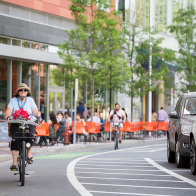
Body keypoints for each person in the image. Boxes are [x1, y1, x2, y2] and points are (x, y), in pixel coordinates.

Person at [4, 83, 38, 171]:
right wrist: (7, 116)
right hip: (16, 121)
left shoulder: (30, 100)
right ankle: (14, 163)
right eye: (21, 90)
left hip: (28, 121)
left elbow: (35, 111)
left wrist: (38, 116)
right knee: (15, 139)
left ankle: (29, 153)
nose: (23, 91)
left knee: (31, 134)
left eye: (25, 90)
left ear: (27, 92)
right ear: (18, 92)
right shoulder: (13, 100)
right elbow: (8, 112)